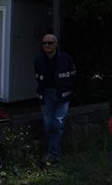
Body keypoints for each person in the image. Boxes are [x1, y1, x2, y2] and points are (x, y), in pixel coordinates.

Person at [34, 33, 76, 166]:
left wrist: (66, 89)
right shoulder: (38, 60)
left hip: (62, 95)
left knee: (57, 124)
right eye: (44, 43)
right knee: (47, 125)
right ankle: (50, 153)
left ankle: (53, 155)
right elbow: (37, 77)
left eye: (50, 43)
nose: (46, 45)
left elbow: (73, 75)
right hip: (46, 94)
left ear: (56, 44)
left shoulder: (65, 58)